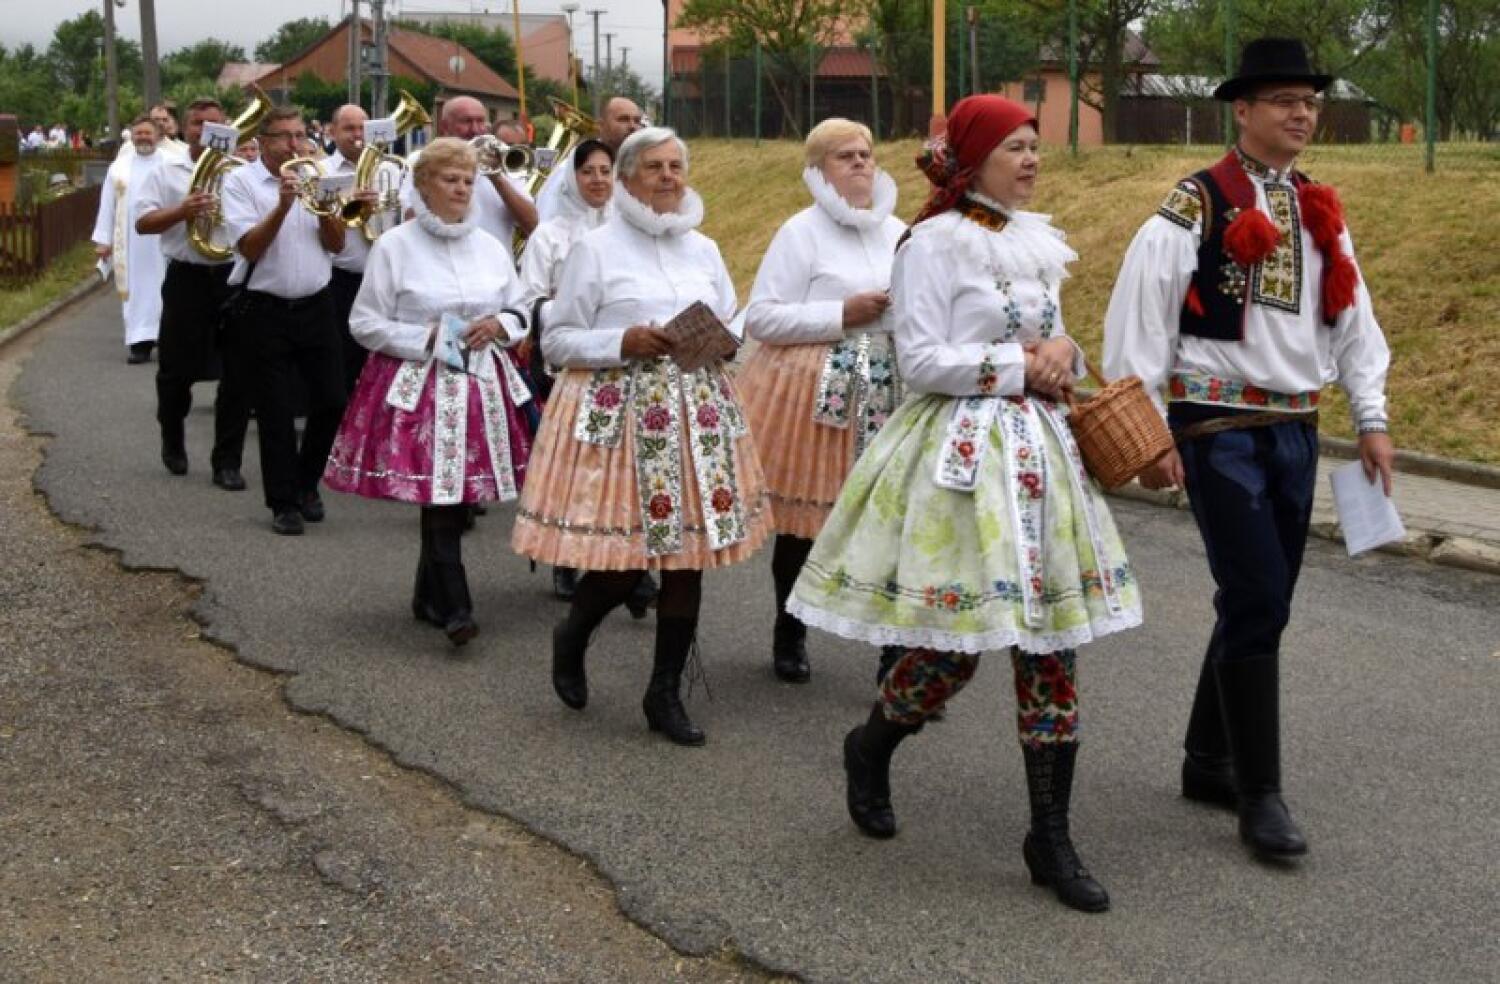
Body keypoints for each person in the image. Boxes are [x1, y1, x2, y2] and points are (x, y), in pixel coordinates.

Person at [788, 96, 1142, 913]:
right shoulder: (931, 244)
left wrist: (1064, 352)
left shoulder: (1035, 240)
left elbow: (1057, 342)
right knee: (954, 650)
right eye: (1014, 147)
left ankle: (1049, 835)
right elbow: (920, 361)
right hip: (961, 464)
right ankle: (872, 743)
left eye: (1034, 146)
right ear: (975, 158)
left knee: (1050, 643)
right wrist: (1019, 365)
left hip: (1040, 462)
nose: (1031, 160)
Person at [1103, 37, 1394, 864]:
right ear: (1243, 109)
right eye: (1284, 101)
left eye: (1310, 102)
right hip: (1217, 427)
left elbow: (1354, 322)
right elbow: (1143, 313)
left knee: (1259, 600)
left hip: (1296, 428)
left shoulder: (1319, 208)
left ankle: (1207, 759)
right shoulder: (1195, 203)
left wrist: (1370, 418)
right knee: (1260, 595)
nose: (1302, 114)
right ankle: (1260, 793)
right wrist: (1148, 428)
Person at [512, 127, 772, 747]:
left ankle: (664, 693)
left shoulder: (704, 248)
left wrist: (723, 339)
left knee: (686, 561)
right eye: (654, 167)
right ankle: (574, 632)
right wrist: (622, 341)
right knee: (626, 562)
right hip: (620, 415)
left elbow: (730, 316)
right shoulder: (595, 249)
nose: (668, 177)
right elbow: (556, 340)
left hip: (697, 413)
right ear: (627, 179)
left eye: (676, 166)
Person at [324, 138, 535, 646]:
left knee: (455, 496)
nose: (461, 189)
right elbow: (364, 323)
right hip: (418, 385)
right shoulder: (394, 245)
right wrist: (427, 337)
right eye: (449, 179)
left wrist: (501, 325)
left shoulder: (490, 246)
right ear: (423, 186)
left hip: (482, 385)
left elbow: (520, 308)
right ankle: (457, 605)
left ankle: (427, 594)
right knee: (439, 493)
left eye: (467, 181)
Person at [737, 118, 906, 684]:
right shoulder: (800, 232)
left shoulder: (898, 231)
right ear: (818, 170)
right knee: (804, 523)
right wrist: (841, 314)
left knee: (891, 519)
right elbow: (762, 317)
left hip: (889, 389)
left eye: (866, 153)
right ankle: (790, 627)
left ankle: (893, 648)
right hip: (816, 392)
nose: (860, 163)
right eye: (844, 156)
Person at [220, 106, 349, 536]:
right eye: (284, 137)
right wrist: (282, 206)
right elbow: (250, 248)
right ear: (262, 141)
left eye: (299, 135)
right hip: (264, 308)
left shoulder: (316, 175)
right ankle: (284, 502)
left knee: (332, 400)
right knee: (275, 410)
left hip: (317, 303)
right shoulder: (240, 182)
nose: (295, 145)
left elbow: (336, 245)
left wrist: (326, 208)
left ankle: (307, 482)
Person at [134, 97, 253, 491]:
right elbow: (143, 223)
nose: (205, 131)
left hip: (232, 276)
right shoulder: (166, 171)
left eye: (214, 124)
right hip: (187, 277)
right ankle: (172, 434)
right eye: (198, 124)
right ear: (185, 129)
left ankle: (227, 461)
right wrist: (182, 211)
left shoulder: (242, 172)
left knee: (238, 372)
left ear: (227, 129)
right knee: (176, 372)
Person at [517, 136, 615, 601]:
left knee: (614, 464)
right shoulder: (549, 234)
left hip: (616, 361)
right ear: (572, 178)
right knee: (570, 464)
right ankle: (564, 558)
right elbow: (529, 299)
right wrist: (573, 306)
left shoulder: (625, 230)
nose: (597, 180)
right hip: (565, 365)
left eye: (605, 171)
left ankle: (624, 564)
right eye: (587, 171)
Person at [401, 96, 537, 247]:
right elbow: (410, 217)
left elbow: (532, 226)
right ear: (445, 126)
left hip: (492, 259)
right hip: (436, 255)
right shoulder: (421, 159)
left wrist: (496, 177)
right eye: (466, 121)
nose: (475, 129)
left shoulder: (502, 164)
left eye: (481, 121)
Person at [92, 115, 170, 364]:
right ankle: (140, 343)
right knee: (136, 292)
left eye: (148, 133)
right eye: (139, 133)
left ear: (158, 135)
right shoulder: (119, 168)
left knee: (167, 290)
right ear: (132, 137)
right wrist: (103, 241)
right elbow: (108, 205)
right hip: (131, 243)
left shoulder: (171, 164)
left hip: (164, 240)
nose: (143, 137)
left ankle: (167, 340)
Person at [321, 103, 380, 393]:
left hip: (382, 277)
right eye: (349, 128)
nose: (358, 135)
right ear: (332, 133)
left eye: (362, 128)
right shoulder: (322, 171)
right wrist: (350, 204)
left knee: (378, 360)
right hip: (340, 278)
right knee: (342, 359)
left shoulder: (389, 169)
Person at [533, 97, 644, 223]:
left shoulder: (638, 168)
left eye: (637, 121)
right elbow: (547, 218)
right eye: (623, 119)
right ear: (601, 126)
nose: (632, 126)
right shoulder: (572, 168)